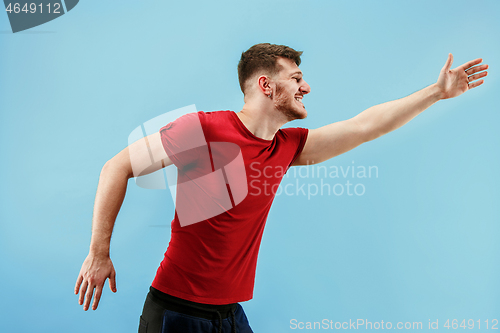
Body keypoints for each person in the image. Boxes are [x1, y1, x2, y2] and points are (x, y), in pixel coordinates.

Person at [74, 43, 488, 332]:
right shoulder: (203, 130)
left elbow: (364, 127)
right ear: (266, 86)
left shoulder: (287, 147)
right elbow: (117, 166)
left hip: (229, 316)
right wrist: (98, 253)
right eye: (296, 78)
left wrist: (436, 92)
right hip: (176, 313)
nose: (306, 88)